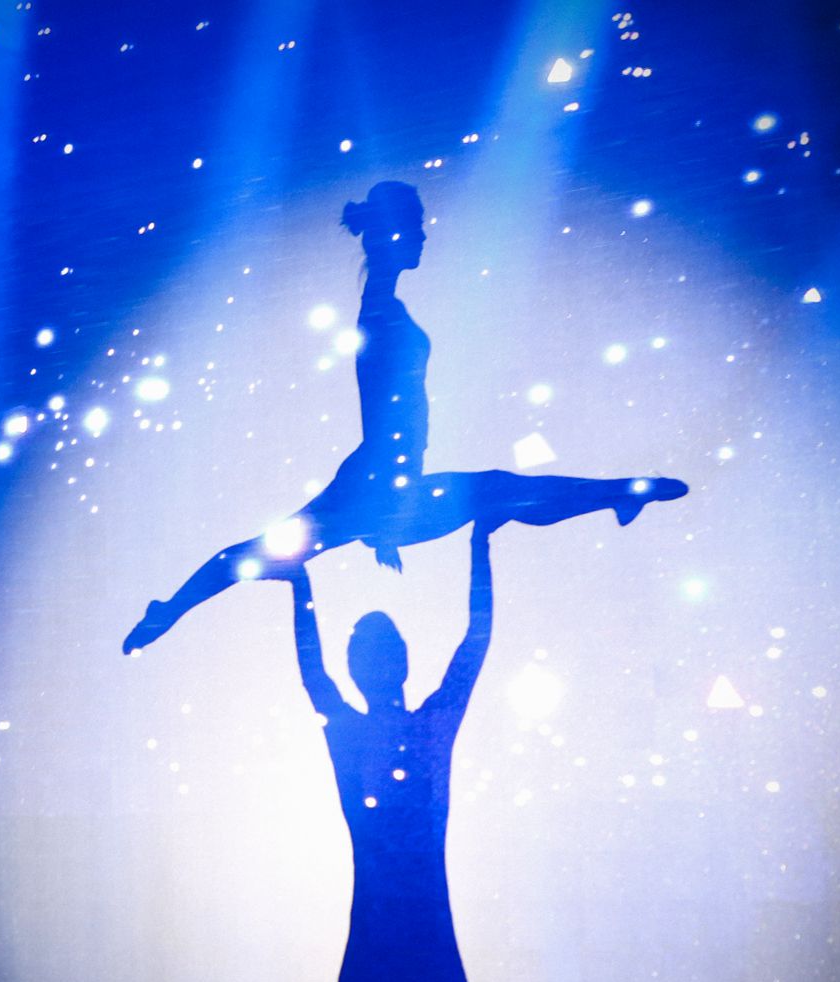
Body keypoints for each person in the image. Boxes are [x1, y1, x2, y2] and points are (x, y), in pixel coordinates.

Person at [122, 181, 684, 655]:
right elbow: (389, 406)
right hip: (379, 478)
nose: (425, 236)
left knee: (499, 493)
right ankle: (619, 493)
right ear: (394, 233)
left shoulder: (384, 307)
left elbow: (396, 407)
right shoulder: (380, 311)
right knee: (499, 492)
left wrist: (389, 512)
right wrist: (388, 501)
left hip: (386, 480)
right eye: (417, 226)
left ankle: (617, 494)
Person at [281, 523, 496, 982]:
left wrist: (299, 585)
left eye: (378, 651)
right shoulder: (399, 730)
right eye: (372, 652)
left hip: (400, 944)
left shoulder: (405, 729)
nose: (377, 662)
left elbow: (472, 647)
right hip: (401, 944)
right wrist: (480, 546)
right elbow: (472, 645)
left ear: (390, 663)